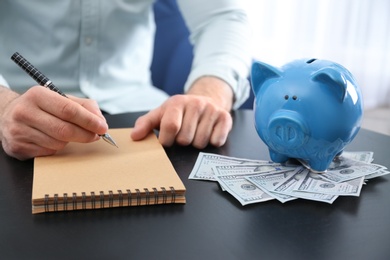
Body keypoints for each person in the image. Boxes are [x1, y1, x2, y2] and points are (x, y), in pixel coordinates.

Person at [0, 0, 252, 160]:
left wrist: (207, 97)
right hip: (17, 113)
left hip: (141, 108)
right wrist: (5, 107)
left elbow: (222, 17)